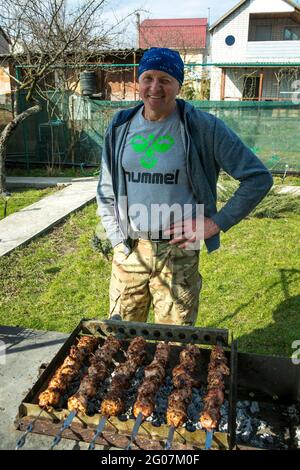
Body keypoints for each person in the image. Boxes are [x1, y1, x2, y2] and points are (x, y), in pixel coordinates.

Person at [96, 47, 273, 326]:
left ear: (179, 84)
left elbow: (258, 178)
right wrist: (117, 238)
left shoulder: (203, 128)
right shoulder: (120, 127)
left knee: (174, 342)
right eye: (148, 78)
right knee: (121, 337)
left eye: (165, 80)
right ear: (138, 81)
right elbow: (106, 188)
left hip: (179, 250)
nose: (155, 87)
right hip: (130, 248)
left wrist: (217, 223)